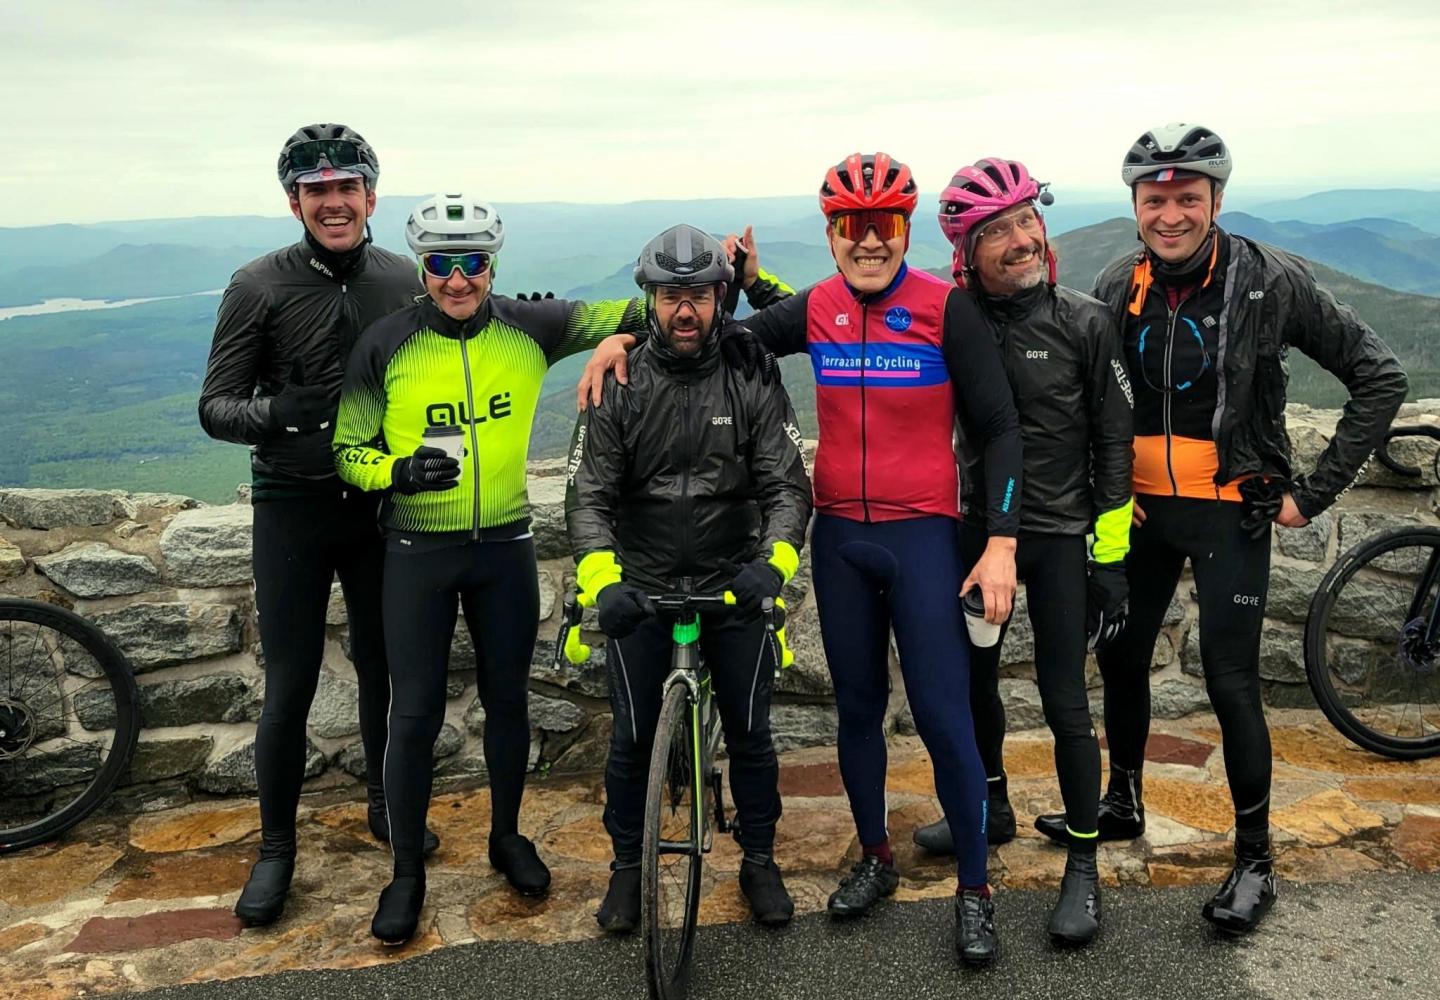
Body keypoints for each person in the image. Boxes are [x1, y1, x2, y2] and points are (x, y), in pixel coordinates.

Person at [579, 154, 1024, 967]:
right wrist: (620, 339)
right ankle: (875, 859)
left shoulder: (944, 308)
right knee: (856, 711)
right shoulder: (816, 309)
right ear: (831, 234)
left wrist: (999, 543)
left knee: (941, 716)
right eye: (852, 227)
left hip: (924, 536)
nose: (868, 242)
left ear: (906, 230)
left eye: (884, 225)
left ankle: (974, 888)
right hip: (843, 541)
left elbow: (1000, 430)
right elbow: (709, 333)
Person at [1035, 123, 1407, 935]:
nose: (1170, 214)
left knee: (1232, 683)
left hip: (1228, 514)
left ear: (1216, 200)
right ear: (1135, 203)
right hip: (1135, 513)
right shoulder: (1115, 279)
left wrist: (1312, 494)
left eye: (1187, 198)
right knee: (1122, 660)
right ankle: (1123, 800)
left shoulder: (1270, 282)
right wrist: (1104, 490)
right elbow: (1087, 393)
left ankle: (1256, 860)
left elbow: (1380, 375)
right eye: (1155, 198)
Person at [331, 193, 648, 945]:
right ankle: (406, 873)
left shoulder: (530, 327)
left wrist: (619, 341)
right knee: (414, 715)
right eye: (442, 264)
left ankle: (506, 837)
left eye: (473, 263)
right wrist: (397, 472)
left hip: (504, 546)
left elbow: (651, 307)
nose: (458, 279)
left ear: (492, 263)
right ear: (422, 266)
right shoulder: (386, 343)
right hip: (416, 552)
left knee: (509, 703)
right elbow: (347, 449)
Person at [199, 123, 439, 927]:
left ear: (372, 195)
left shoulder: (403, 277)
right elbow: (215, 407)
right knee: (290, 685)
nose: (333, 204)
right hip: (293, 506)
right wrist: (278, 412)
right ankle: (275, 852)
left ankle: (383, 803)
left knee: (383, 668)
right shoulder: (257, 285)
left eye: (346, 188)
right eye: (316, 192)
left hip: (378, 508)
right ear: (294, 201)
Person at [899, 158, 1133, 947]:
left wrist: (1110, 558)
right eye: (995, 230)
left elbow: (1114, 443)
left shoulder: (1084, 320)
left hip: (1062, 539)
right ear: (966, 250)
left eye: (1027, 219)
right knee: (973, 688)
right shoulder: (950, 313)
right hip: (974, 535)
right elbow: (854, 322)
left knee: (1067, 701)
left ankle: (1083, 868)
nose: (1019, 238)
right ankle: (991, 806)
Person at [566, 224, 813, 932]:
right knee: (631, 740)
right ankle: (625, 869)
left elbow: (787, 486)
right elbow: (588, 494)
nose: (685, 310)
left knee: (752, 734)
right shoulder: (619, 377)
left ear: (720, 298)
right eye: (672, 295)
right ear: (649, 298)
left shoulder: (750, 368)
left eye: (699, 296)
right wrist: (602, 580)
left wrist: (775, 566)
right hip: (641, 585)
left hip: (734, 581)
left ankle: (759, 860)